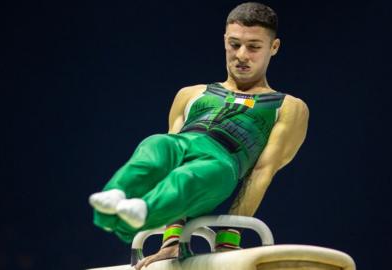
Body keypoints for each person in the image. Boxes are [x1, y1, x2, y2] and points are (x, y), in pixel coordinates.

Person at [89, 2, 309, 268]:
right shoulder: (190, 93)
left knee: (189, 177)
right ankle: (117, 193)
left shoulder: (286, 106)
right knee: (155, 144)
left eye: (253, 47)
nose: (241, 55)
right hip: (184, 143)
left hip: (222, 162)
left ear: (273, 48)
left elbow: (262, 172)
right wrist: (171, 241)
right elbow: (166, 167)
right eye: (234, 44)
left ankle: (145, 211)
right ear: (224, 40)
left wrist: (228, 238)